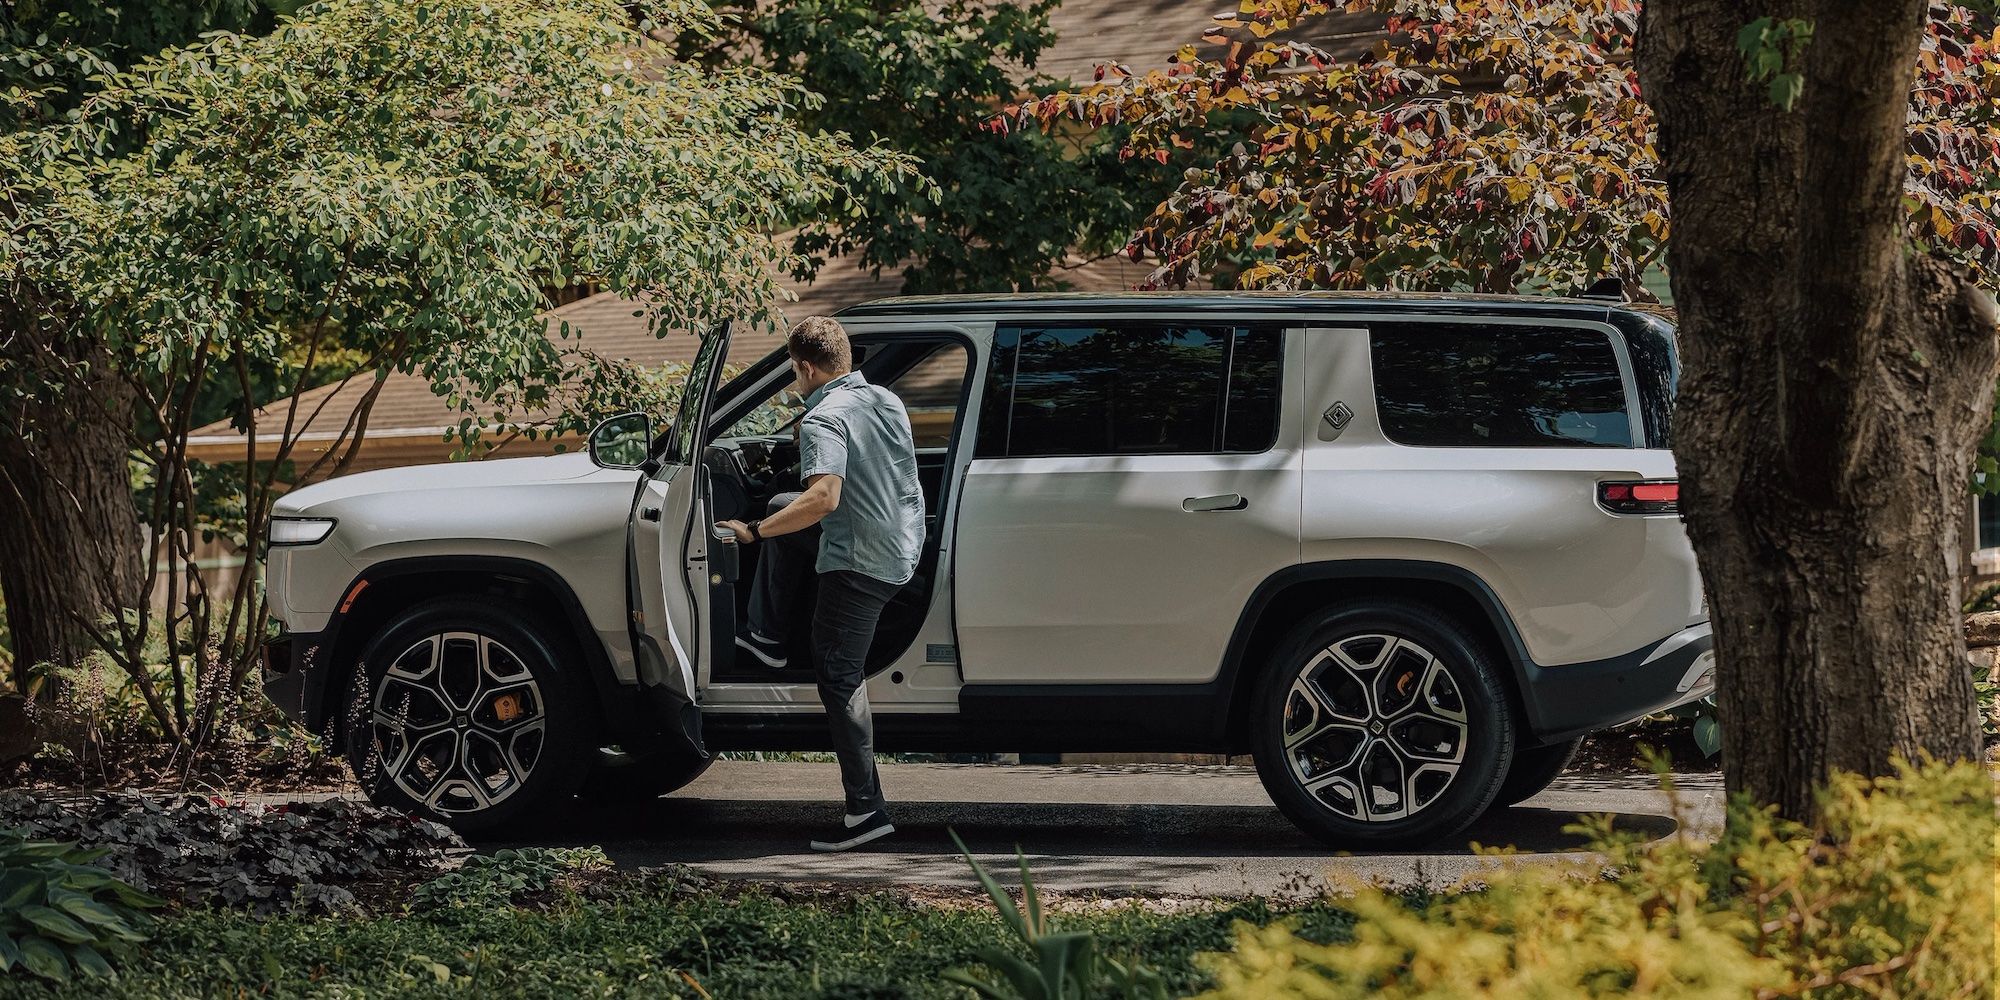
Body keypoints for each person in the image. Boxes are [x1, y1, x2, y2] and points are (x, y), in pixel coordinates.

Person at [717, 316, 924, 852]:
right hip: (902, 544)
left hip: (861, 562)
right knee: (785, 502)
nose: (795, 379)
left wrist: (753, 532)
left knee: (837, 675)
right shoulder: (883, 400)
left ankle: (867, 812)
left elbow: (825, 498)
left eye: (793, 371)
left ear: (806, 367)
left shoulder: (823, 420)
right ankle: (762, 639)